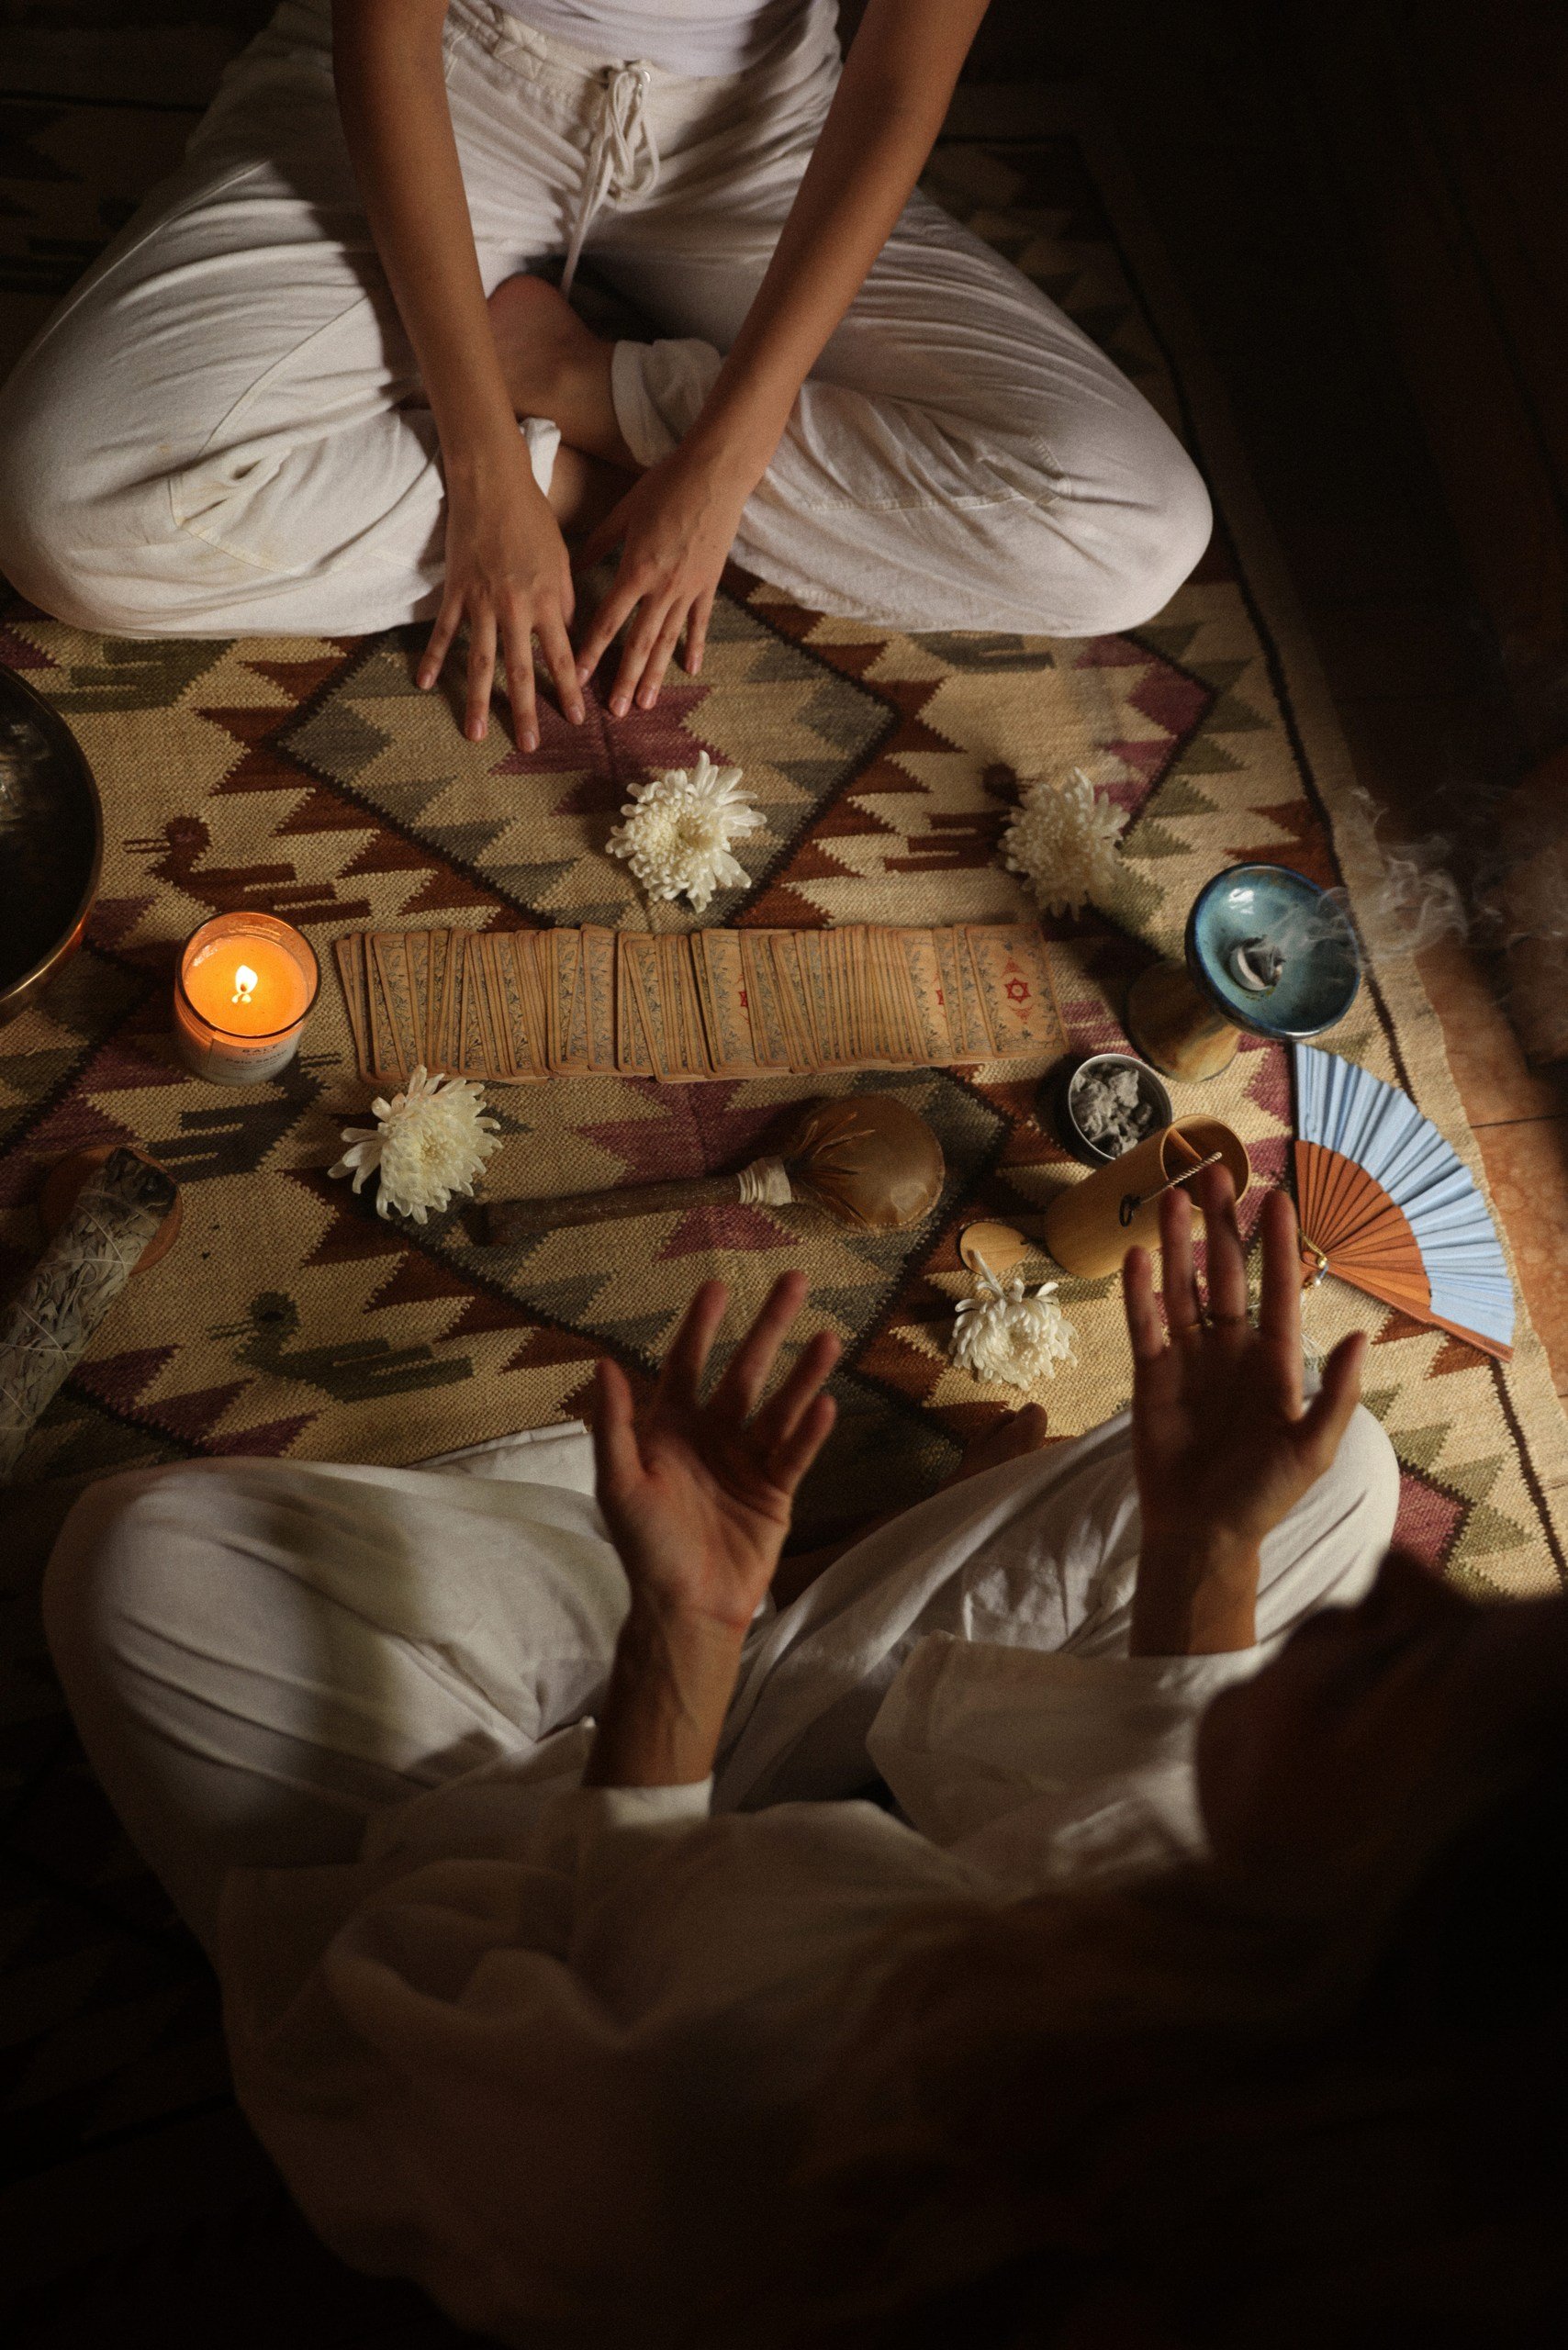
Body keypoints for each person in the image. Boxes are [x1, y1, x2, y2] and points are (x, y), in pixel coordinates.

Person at [50, 1162, 1530, 2346]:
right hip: (832, 1837)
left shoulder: (808, 2137)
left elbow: (582, 1934)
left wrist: (685, 1632)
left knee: (140, 1558)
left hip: (553, 1908)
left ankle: (657, 1587)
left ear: (1362, 1921)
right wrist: (1205, 1543)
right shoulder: (1306, 2016)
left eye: (1424, 1663)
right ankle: (736, 1600)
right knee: (1336, 1472)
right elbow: (1160, 1801)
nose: (1411, 1591)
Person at [0, 0, 1212, 750]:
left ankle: (584, 389)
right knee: (65, 511)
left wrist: (716, 456)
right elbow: (388, 34)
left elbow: (897, 86)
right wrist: (485, 477)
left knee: (1135, 534)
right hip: (454, 77)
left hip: (764, 133)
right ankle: (563, 479)